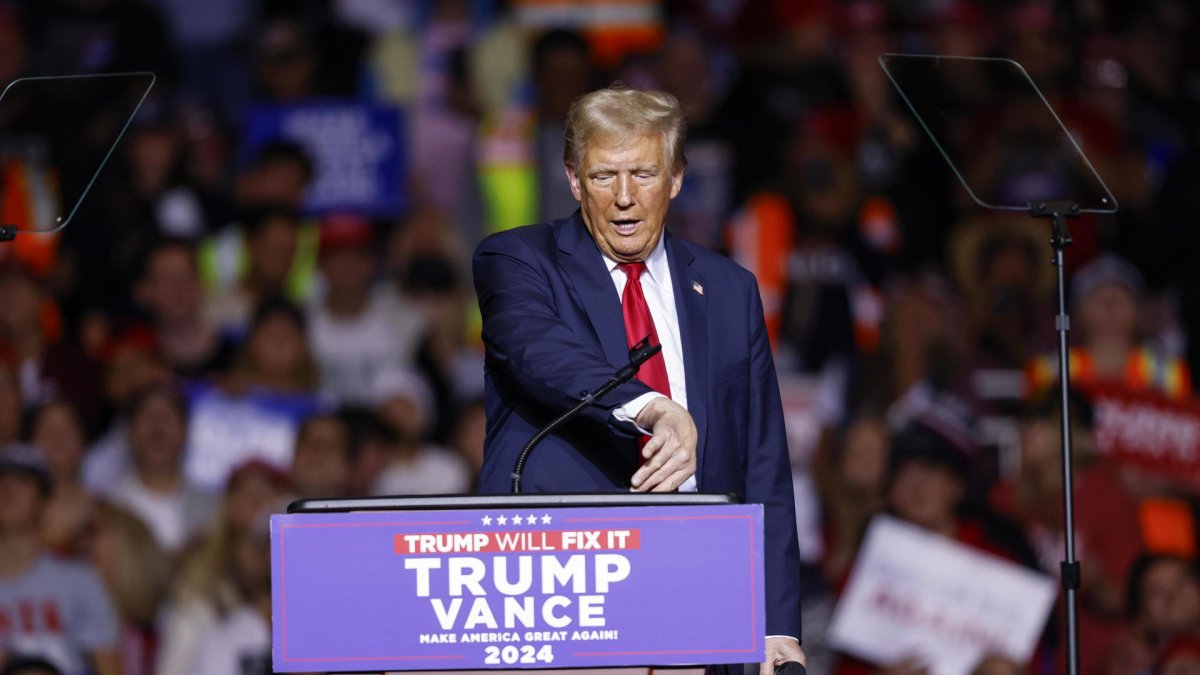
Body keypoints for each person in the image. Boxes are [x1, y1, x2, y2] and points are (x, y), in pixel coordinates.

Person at [472, 86, 805, 671]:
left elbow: (763, 466)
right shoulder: (520, 261)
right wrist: (650, 406)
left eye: (644, 174)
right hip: (566, 594)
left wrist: (776, 624)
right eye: (603, 177)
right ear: (574, 181)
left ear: (676, 178)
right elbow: (538, 351)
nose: (624, 199)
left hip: (700, 592)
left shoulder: (729, 290)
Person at [0, 445, 121, 675]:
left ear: (44, 501)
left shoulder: (80, 580)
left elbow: (109, 668)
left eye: (22, 480)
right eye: (1, 480)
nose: (7, 488)